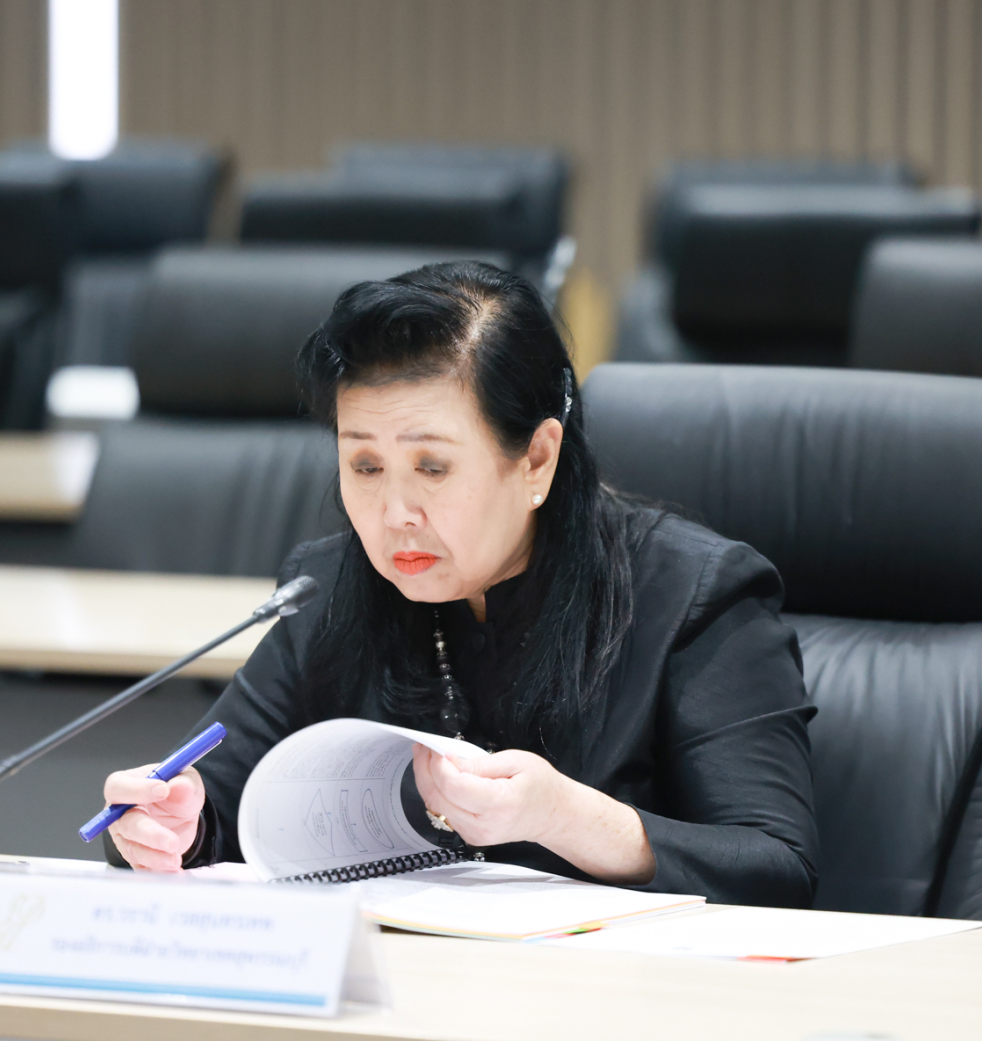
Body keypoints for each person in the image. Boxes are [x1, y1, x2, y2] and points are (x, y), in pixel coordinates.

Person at [102, 261, 817, 904]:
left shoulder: (691, 593)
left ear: (536, 460)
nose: (394, 514)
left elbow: (776, 867)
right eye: (365, 466)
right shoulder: (326, 589)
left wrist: (566, 818)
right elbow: (213, 803)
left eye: (433, 468)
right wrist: (170, 825)